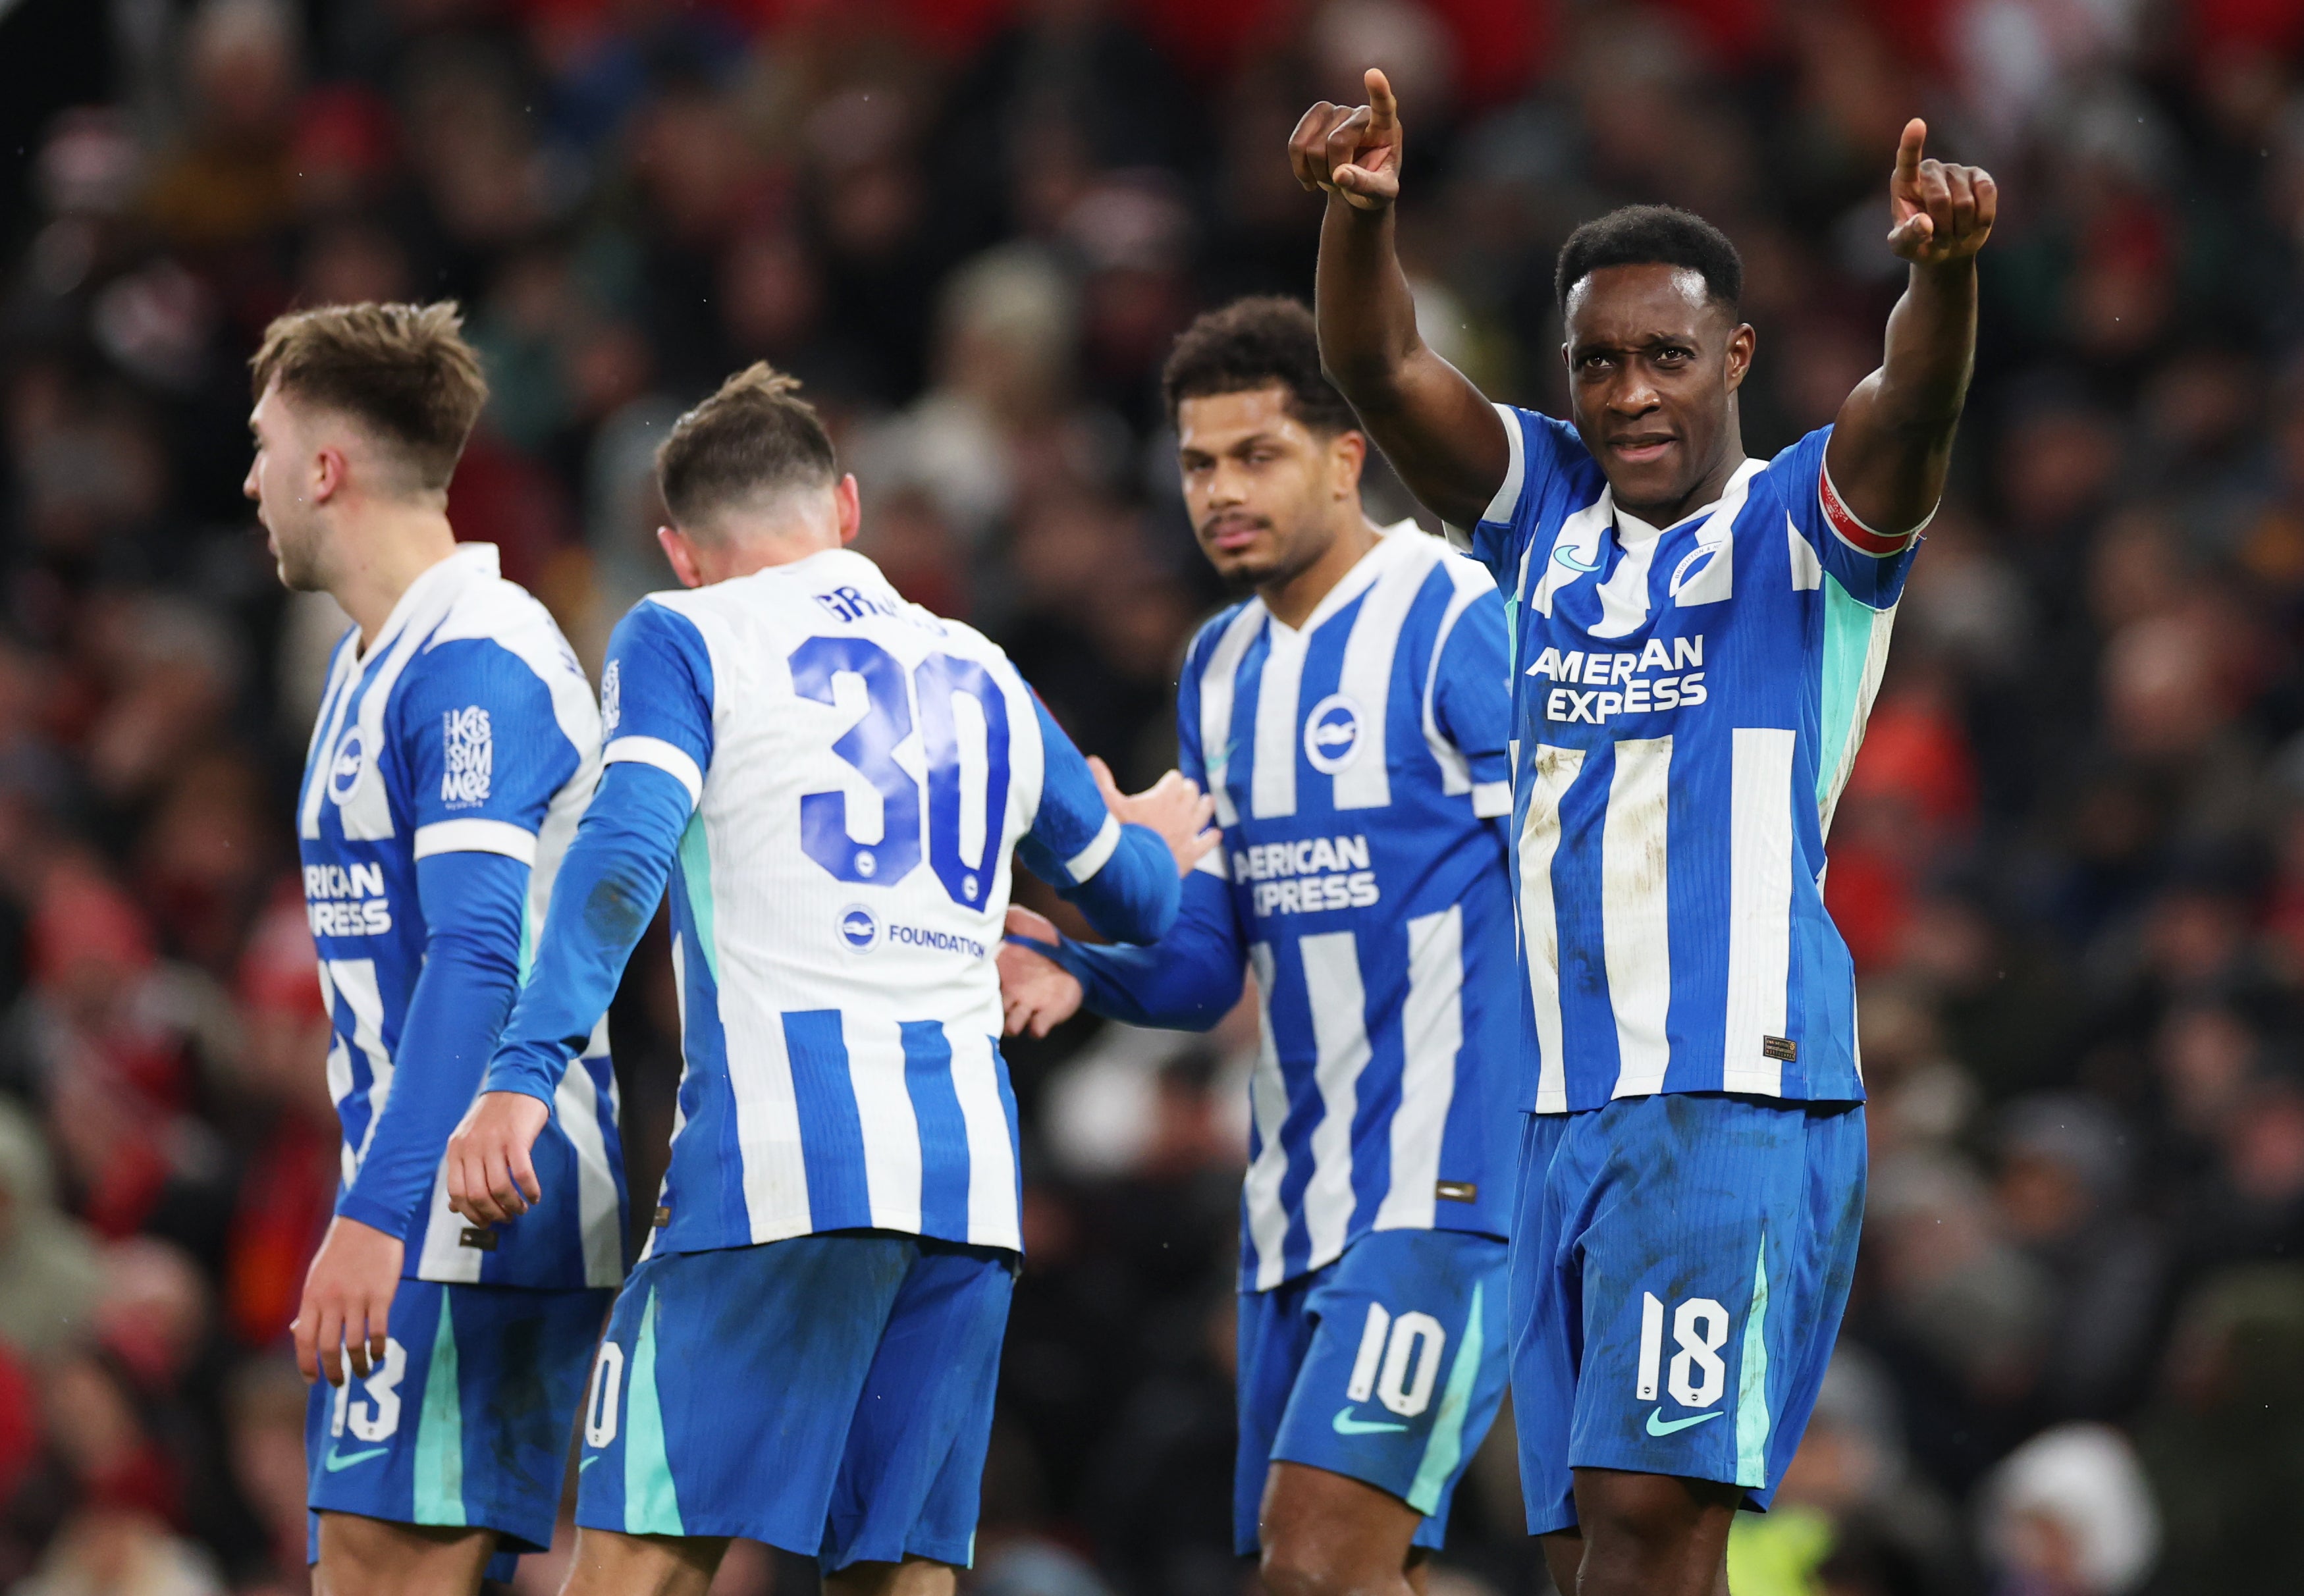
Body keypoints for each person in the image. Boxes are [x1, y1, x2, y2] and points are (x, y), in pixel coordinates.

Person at [1288, 70, 1996, 1596]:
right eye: (1596, 362)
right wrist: (1358, 217)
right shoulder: (1540, 507)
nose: (1626, 395)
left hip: (1728, 1095)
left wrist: (1940, 282)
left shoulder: (1807, 524)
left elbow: (1915, 404)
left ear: (1734, 356)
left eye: (1664, 357)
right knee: (1578, 1548)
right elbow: (1378, 363)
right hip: (1553, 1108)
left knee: (1648, 1519)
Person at [439, 363, 1210, 1596]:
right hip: (965, 1191)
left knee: (637, 1564)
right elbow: (1141, 903)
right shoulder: (984, 668)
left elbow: (623, 856)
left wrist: (522, 1074)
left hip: (776, 1178)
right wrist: (1151, 839)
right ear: (847, 506)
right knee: (901, 1578)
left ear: (680, 553)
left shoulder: (682, 634)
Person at [998, 296, 1518, 1596]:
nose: (1221, 491)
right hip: (1293, 1201)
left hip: (1446, 1187)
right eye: (1197, 463)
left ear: (1345, 457)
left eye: (1255, 455)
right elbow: (1205, 966)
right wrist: (1078, 961)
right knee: (1346, 1573)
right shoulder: (1219, 668)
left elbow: (1576, 873)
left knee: (1317, 1558)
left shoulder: (1452, 613)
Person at [248, 302, 626, 1596]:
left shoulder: (480, 656)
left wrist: (378, 1215)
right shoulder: (370, 661)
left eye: (263, 447)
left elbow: (477, 957)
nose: (250, 482)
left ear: (324, 469)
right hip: (425, 1202)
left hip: (473, 1207)